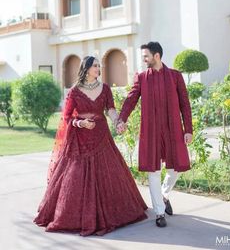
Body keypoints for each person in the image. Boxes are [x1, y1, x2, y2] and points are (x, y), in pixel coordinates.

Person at [34, 56, 147, 236]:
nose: (98, 68)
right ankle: (73, 217)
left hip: (101, 135)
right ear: (86, 69)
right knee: (73, 177)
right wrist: (81, 123)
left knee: (109, 172)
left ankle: (114, 214)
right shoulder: (74, 91)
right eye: (95, 65)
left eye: (98, 65)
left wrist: (118, 122)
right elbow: (66, 117)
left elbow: (110, 109)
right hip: (79, 139)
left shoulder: (105, 88)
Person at [116, 42, 193, 228]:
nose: (144, 60)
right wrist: (122, 119)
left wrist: (188, 129)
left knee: (176, 168)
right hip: (151, 131)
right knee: (154, 171)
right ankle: (159, 212)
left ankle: (164, 195)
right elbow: (131, 99)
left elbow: (185, 103)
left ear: (156, 56)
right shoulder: (142, 78)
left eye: (146, 56)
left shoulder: (175, 77)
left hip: (173, 129)